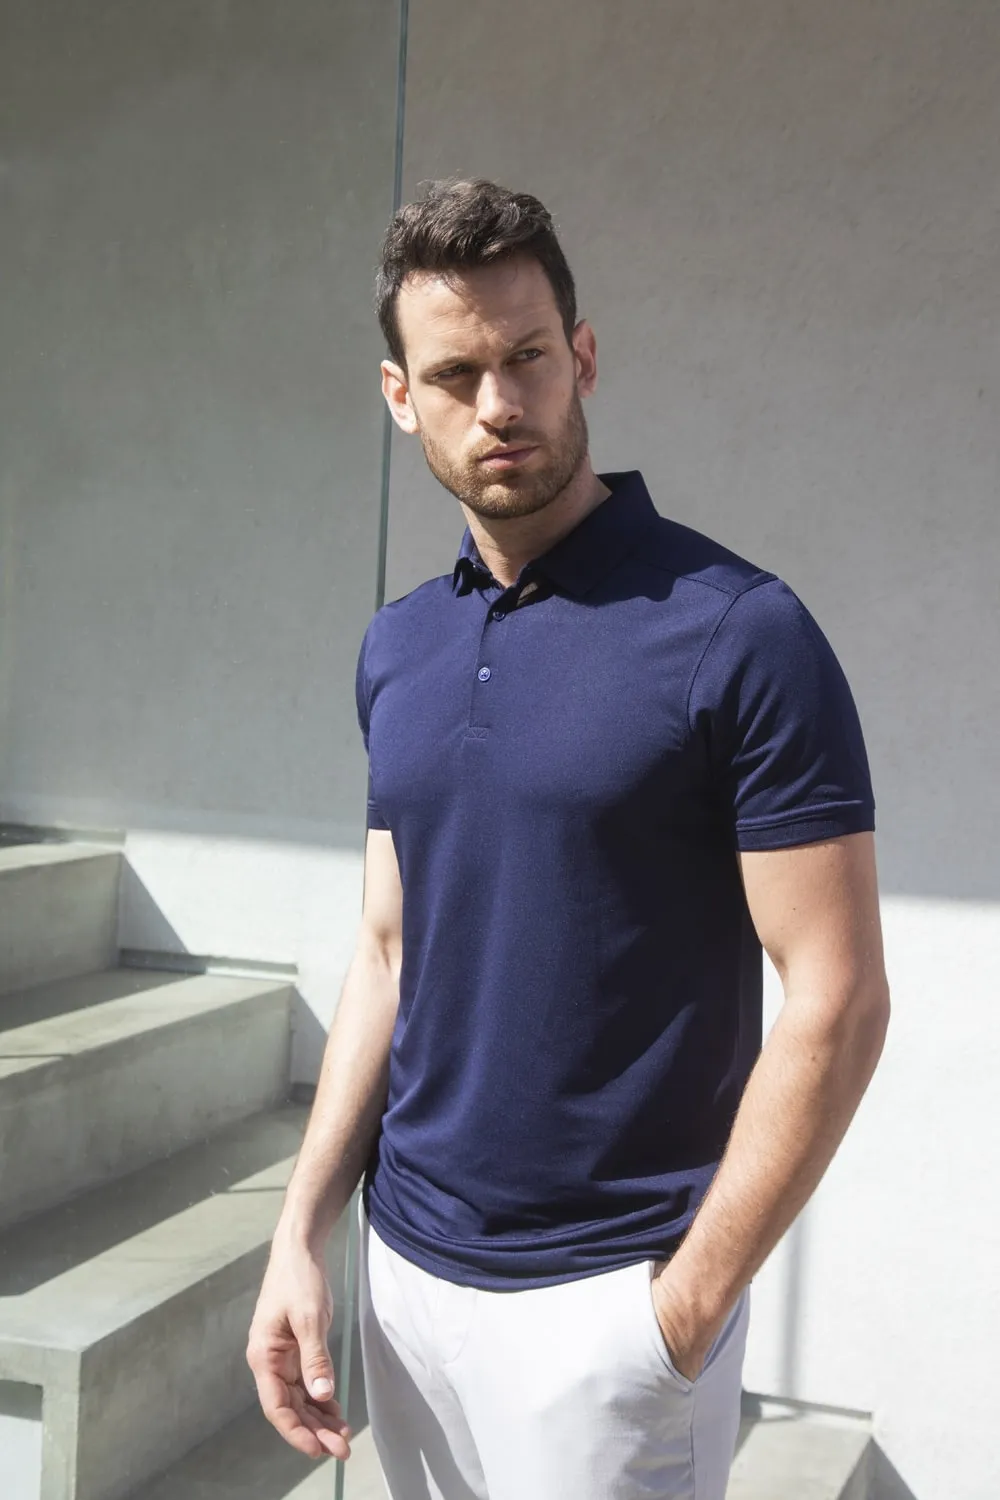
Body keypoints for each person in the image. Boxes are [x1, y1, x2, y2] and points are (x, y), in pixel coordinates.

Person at [247, 179, 890, 1500]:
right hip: (406, 1277)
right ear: (399, 396)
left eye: (529, 357)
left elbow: (838, 998)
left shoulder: (740, 633)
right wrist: (302, 1227)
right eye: (456, 373)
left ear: (582, 356)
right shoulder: (399, 648)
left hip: (610, 1306)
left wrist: (680, 1315)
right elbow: (388, 949)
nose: (500, 403)